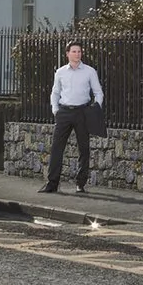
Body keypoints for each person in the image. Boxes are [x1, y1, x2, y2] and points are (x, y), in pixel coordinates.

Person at [45, 42, 104, 195]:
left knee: (84, 148)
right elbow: (55, 92)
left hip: (82, 112)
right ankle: (52, 183)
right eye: (74, 51)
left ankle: (80, 183)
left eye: (79, 51)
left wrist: (95, 109)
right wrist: (55, 109)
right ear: (67, 53)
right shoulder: (60, 72)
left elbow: (98, 92)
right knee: (57, 148)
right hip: (64, 112)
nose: (77, 54)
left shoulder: (90, 72)